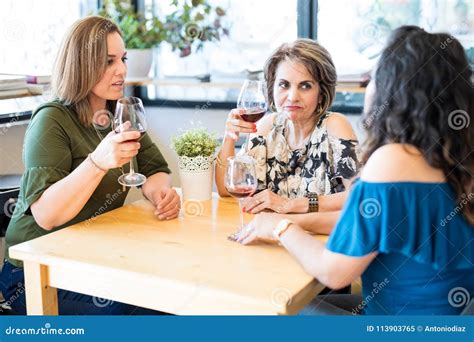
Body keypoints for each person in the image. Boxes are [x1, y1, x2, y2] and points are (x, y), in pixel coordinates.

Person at [235, 26, 474, 315]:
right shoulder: (452, 158)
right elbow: (363, 224)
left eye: (374, 77)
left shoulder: (393, 161)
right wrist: (293, 219)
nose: (368, 86)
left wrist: (279, 227)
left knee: (260, 309)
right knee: (293, 302)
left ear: (394, 90)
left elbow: (334, 273)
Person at [0, 16, 180, 315]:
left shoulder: (120, 112)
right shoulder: (51, 120)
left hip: (89, 256)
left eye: (122, 58)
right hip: (35, 271)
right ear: (81, 65)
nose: (122, 70)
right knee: (140, 311)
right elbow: (47, 216)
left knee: (171, 289)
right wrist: (97, 162)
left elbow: (153, 170)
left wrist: (160, 194)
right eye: (108, 61)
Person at [215, 39, 360, 234]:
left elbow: (359, 196)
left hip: (319, 243)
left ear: (321, 91)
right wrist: (230, 137)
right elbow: (226, 190)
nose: (292, 96)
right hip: (271, 238)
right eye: (284, 85)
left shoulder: (335, 125)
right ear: (272, 88)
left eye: (305, 86)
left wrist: (290, 204)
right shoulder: (266, 126)